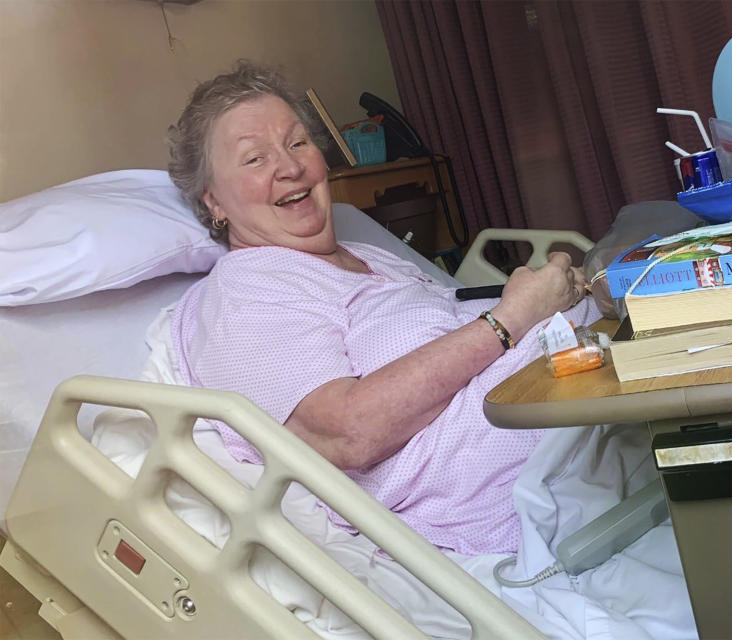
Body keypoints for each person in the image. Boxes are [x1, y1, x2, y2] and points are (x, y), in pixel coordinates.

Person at [166, 61, 597, 555]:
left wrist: (548, 300)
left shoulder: (366, 256)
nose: (289, 167)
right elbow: (350, 431)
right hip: (532, 496)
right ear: (213, 201)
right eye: (254, 159)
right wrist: (514, 317)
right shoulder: (246, 294)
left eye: (297, 142)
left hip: (588, 430)